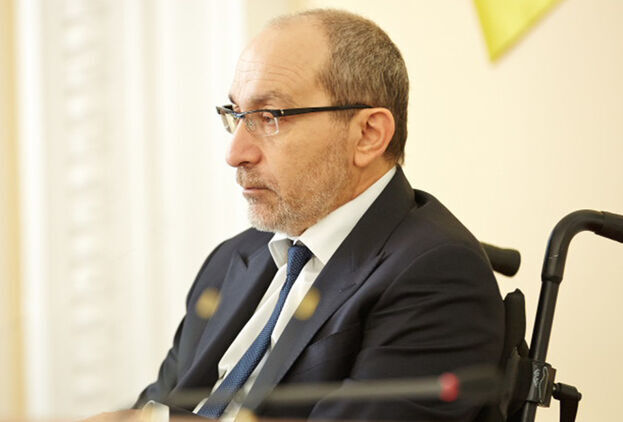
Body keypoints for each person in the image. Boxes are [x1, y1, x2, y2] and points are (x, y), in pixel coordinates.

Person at [90, 8, 504, 422]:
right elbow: (157, 404)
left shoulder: (438, 274)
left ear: (368, 135)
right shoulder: (233, 259)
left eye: (269, 117)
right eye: (236, 115)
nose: (235, 153)